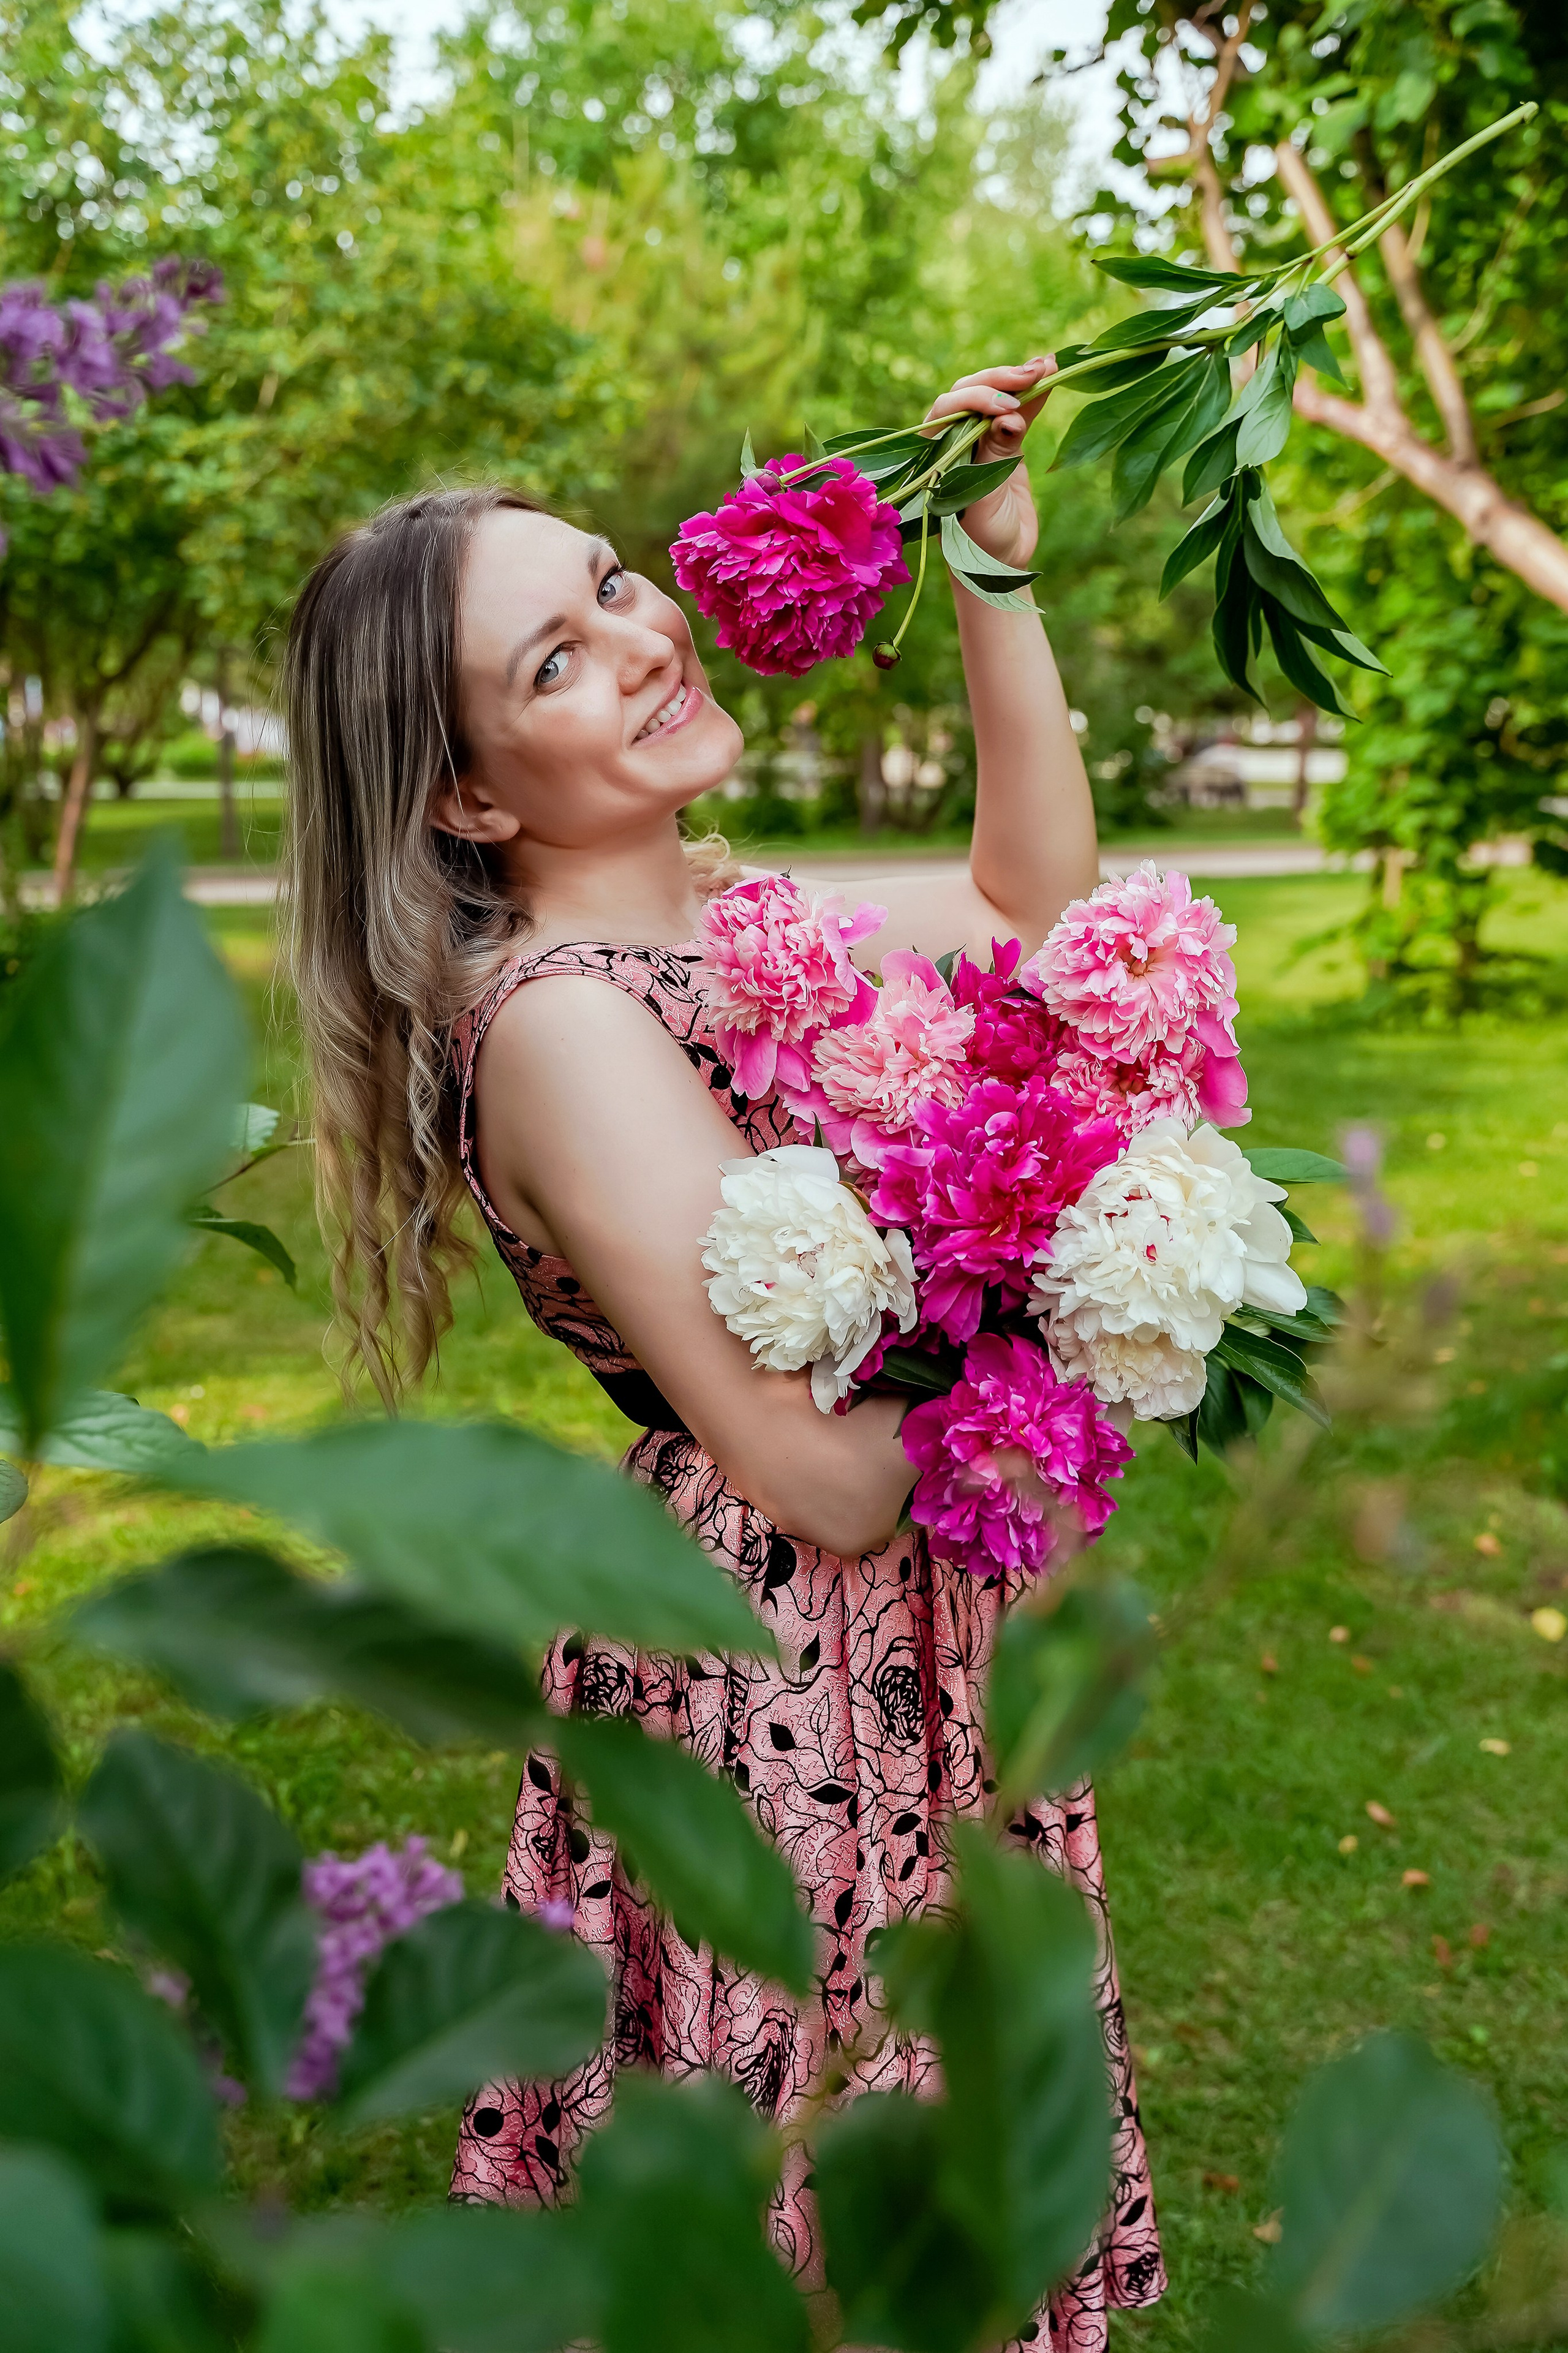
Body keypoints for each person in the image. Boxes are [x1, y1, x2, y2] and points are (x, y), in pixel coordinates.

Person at [284, 359, 1164, 2351]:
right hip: (785, 1690)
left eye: (612, 584)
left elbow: (1039, 901)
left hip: (898, 1643)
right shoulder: (570, 1024)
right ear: (473, 794)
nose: (642, 636)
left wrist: (992, 580)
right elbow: (833, 1474)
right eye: (560, 659)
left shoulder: (731, 930)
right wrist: (1062, 1251)